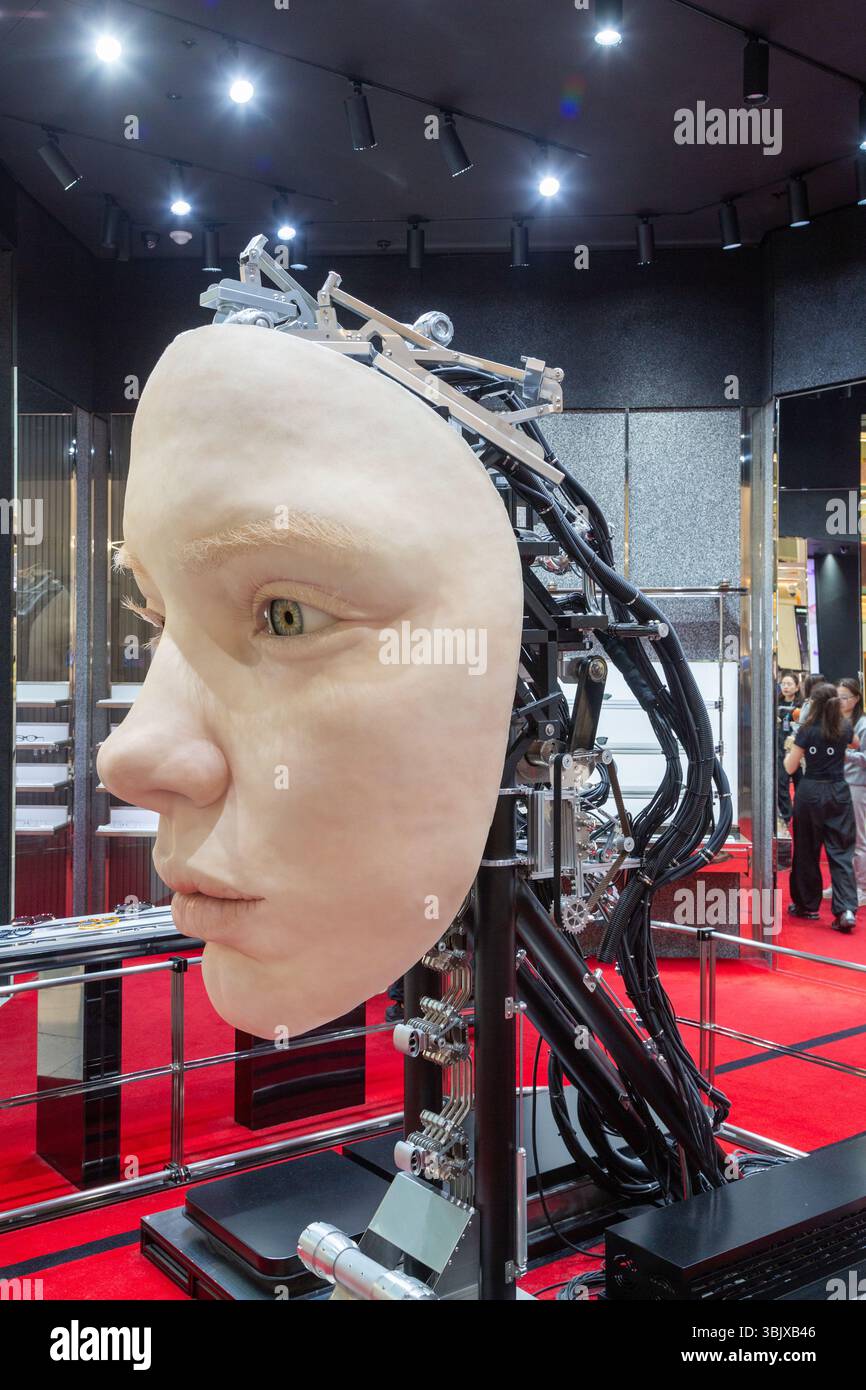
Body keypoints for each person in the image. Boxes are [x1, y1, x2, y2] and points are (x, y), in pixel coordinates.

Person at [785, 682, 858, 932]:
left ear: (813, 704)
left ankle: (807, 906)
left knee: (807, 849)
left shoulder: (806, 730)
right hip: (839, 792)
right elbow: (856, 744)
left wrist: (791, 747)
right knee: (841, 852)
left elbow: (789, 767)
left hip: (811, 792)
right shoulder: (844, 727)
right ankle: (847, 909)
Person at [839, 677, 866, 909]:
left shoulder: (863, 725)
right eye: (837, 697)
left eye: (845, 697)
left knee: (858, 840)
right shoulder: (836, 720)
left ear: (856, 699)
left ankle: (861, 888)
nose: (840, 701)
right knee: (839, 838)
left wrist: (844, 754)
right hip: (836, 784)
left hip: (857, 786)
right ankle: (842, 885)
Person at [777, 671, 801, 828]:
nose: (785, 687)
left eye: (789, 684)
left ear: (797, 687)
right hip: (780, 747)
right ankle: (785, 816)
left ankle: (801, 815)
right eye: (783, 684)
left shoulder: (801, 706)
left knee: (800, 783)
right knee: (782, 783)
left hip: (798, 748)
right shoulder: (775, 703)